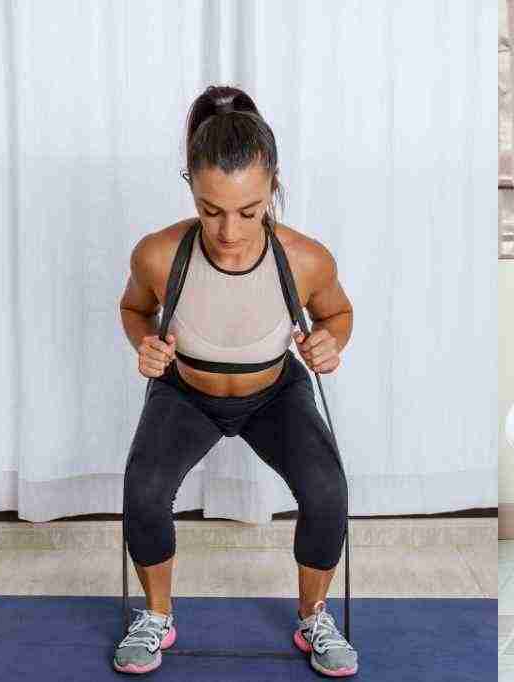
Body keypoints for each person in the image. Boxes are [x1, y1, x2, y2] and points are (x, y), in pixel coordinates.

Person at [114, 85, 357, 677]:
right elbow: (132, 310)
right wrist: (144, 344)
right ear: (191, 190)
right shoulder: (156, 253)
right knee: (143, 491)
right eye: (210, 209)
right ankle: (156, 616)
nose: (228, 230)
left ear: (272, 185)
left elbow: (338, 314)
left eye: (248, 211)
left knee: (327, 491)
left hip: (273, 393)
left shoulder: (305, 259)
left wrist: (332, 343)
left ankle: (314, 616)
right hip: (185, 393)